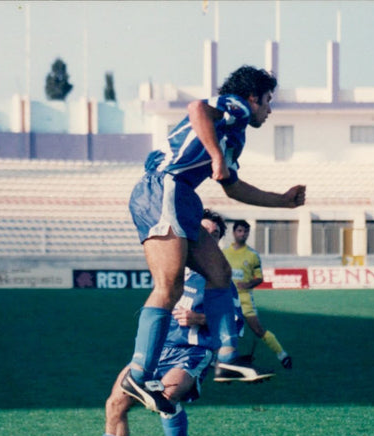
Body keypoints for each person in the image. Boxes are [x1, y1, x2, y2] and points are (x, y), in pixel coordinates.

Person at [123, 65, 306, 414]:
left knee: (220, 275)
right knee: (170, 285)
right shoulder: (234, 106)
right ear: (253, 97)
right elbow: (196, 109)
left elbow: (232, 185)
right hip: (165, 186)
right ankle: (139, 373)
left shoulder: (236, 133)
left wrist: (282, 200)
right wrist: (217, 157)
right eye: (268, 101)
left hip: (184, 195)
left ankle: (227, 360)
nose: (270, 110)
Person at [98, 210, 265, 436]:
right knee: (115, 403)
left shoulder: (218, 281)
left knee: (165, 398)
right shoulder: (169, 269)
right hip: (155, 351)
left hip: (191, 351)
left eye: (213, 235)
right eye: (202, 232)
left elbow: (236, 326)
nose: (207, 239)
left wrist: (199, 319)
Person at [223, 219, 292, 370]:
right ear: (234, 233)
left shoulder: (252, 255)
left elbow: (259, 277)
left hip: (245, 300)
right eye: (240, 231)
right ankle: (223, 361)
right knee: (224, 330)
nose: (242, 234)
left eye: (245, 231)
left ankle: (282, 355)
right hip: (227, 300)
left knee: (258, 330)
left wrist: (247, 284)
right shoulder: (224, 253)